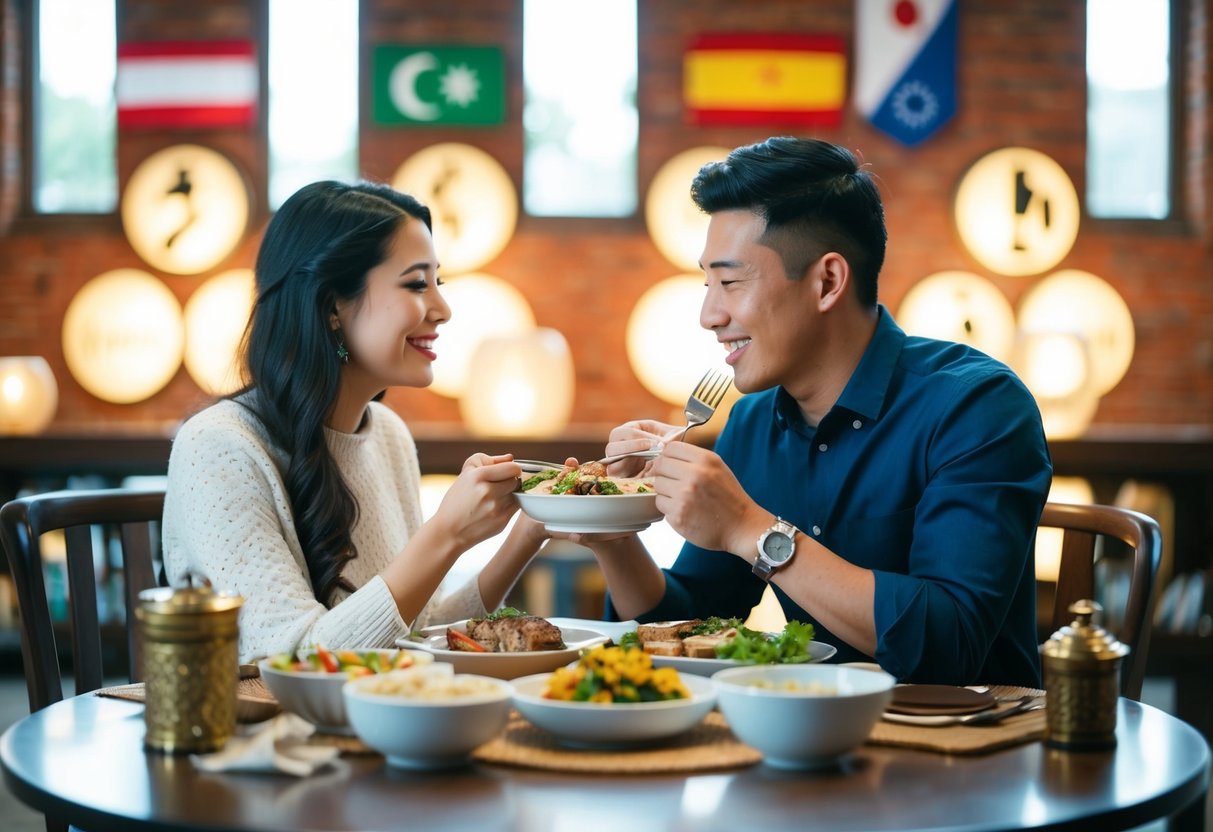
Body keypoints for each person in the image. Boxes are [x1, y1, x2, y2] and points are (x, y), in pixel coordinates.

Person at [576, 137, 1052, 687]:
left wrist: (750, 529)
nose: (709, 314)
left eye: (730, 282)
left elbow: (950, 643)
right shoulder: (754, 420)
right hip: (807, 739)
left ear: (827, 281)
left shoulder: (977, 406)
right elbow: (684, 625)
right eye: (706, 282)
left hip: (970, 750)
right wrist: (612, 534)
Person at [162, 180, 547, 663]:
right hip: (256, 733)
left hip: (378, 726)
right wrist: (446, 532)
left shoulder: (386, 433)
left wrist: (529, 530)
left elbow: (415, 633)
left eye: (438, 283)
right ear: (331, 308)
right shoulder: (218, 448)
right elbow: (295, 661)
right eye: (415, 284)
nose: (443, 309)